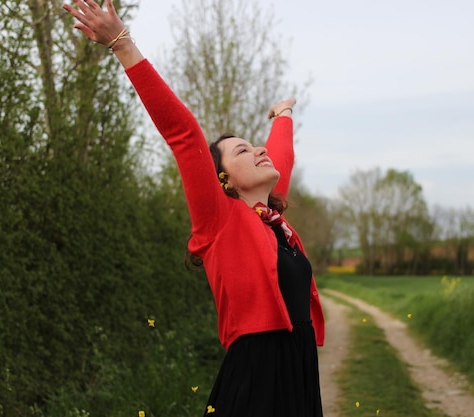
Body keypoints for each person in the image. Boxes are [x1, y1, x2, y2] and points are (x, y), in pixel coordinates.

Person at [63, 1, 325, 416]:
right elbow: (183, 132)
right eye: (242, 150)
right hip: (256, 377)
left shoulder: (275, 221)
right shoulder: (219, 220)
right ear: (223, 180)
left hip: (298, 372)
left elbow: (280, 156)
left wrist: (284, 115)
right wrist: (121, 42)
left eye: (256, 147)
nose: (258, 151)